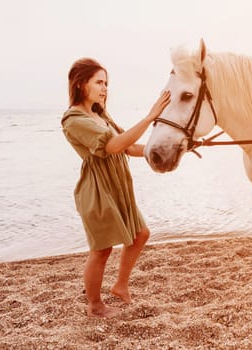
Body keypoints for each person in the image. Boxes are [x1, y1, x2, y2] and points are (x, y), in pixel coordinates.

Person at [61, 58, 170, 318]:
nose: (105, 88)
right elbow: (113, 146)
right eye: (99, 82)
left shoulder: (100, 115)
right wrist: (151, 116)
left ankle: (120, 286)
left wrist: (163, 151)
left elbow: (129, 146)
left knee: (140, 234)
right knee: (101, 250)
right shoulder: (73, 119)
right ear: (80, 84)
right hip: (99, 190)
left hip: (118, 186)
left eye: (106, 83)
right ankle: (95, 306)